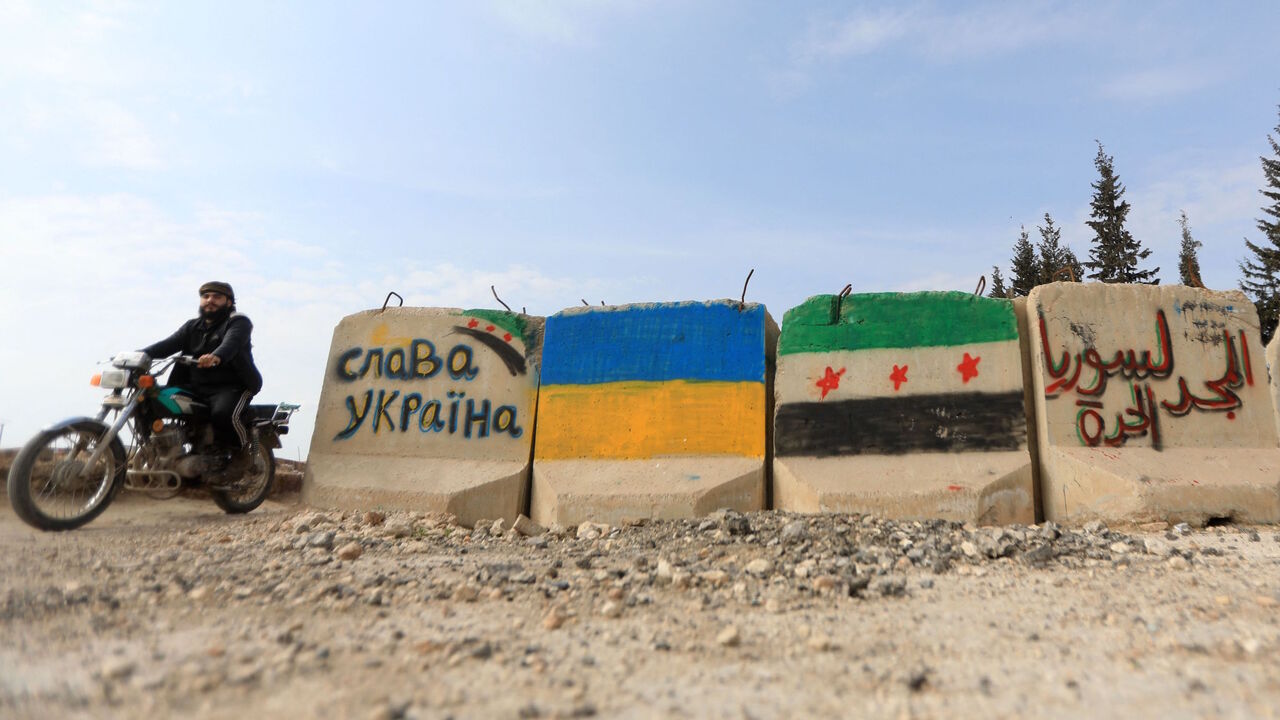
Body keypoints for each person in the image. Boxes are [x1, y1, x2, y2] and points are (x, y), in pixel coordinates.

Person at [143, 281, 263, 481]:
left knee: (223, 413)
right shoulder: (193, 327)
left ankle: (240, 453)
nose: (210, 301)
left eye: (217, 297)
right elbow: (166, 346)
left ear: (229, 302)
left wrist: (216, 356)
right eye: (206, 297)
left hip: (233, 386)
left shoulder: (238, 322)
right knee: (155, 400)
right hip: (196, 386)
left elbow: (231, 342)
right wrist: (136, 356)